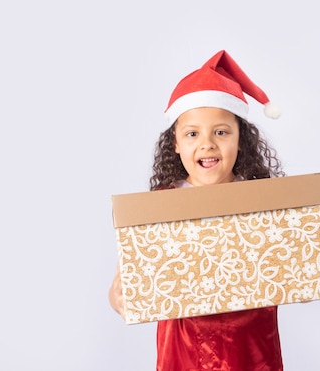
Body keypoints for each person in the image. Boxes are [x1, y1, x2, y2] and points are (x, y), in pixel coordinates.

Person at [109, 50, 285, 371]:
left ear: (240, 139)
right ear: (175, 143)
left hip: (250, 346)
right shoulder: (161, 205)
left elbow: (291, 266)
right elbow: (132, 276)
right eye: (192, 134)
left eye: (221, 132)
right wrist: (118, 295)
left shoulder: (264, 202)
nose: (207, 144)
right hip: (184, 347)